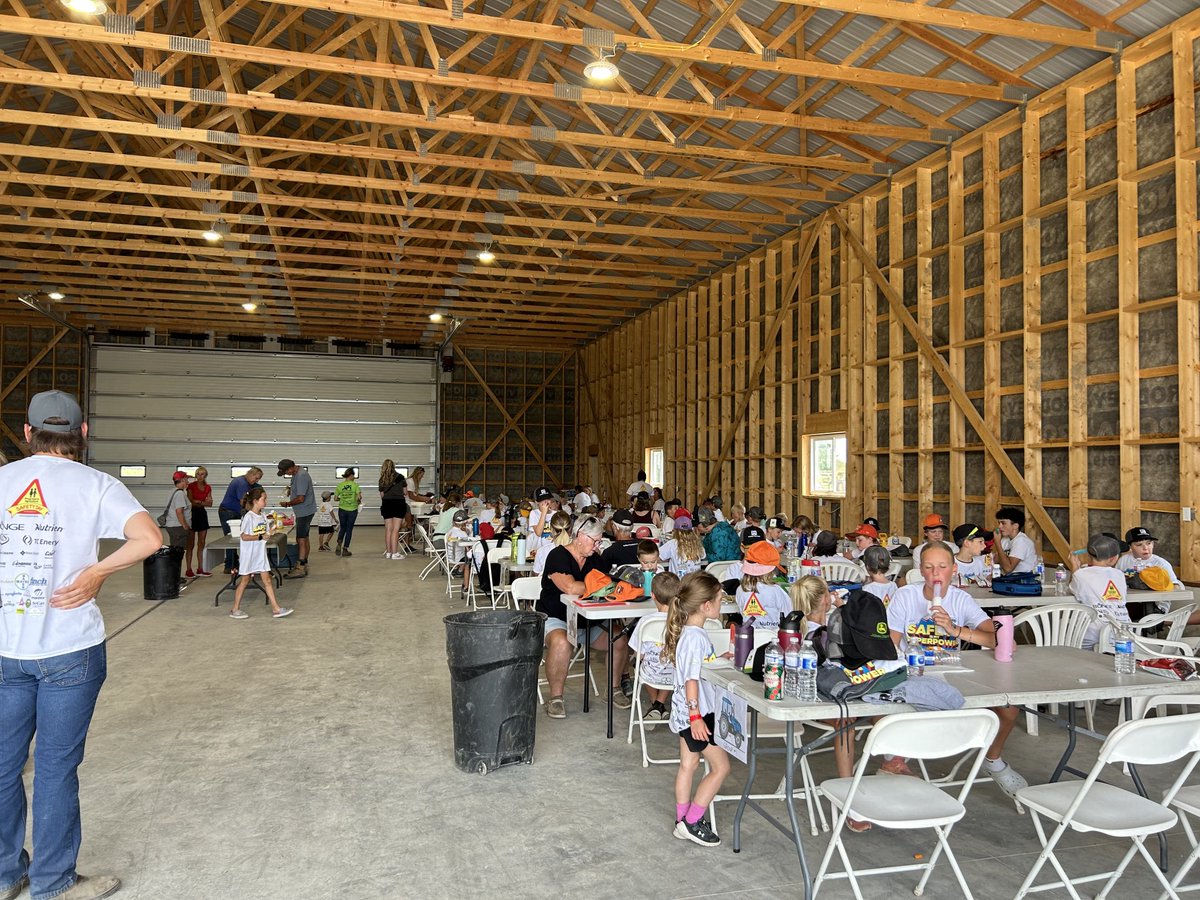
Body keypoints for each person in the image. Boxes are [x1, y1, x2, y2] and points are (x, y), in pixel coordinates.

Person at [0, 390, 161, 900]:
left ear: (27, 434)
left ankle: (5, 875)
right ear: (82, 433)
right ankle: (52, 883)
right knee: (54, 767)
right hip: (71, 649)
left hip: (5, 649)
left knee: (2, 765)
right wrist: (96, 572)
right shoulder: (97, 485)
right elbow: (149, 539)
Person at [886, 542, 1027, 798]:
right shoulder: (905, 596)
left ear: (953, 570)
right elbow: (891, 645)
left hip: (953, 669)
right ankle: (896, 759)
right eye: (928, 568)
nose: (935, 574)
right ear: (921, 570)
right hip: (915, 671)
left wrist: (955, 630)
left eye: (941, 567)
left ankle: (993, 759)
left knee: (1009, 707)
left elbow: (1003, 640)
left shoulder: (961, 599)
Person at [537, 515, 631, 718]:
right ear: (579, 536)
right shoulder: (558, 555)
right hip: (557, 617)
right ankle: (556, 698)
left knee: (619, 639)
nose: (597, 546)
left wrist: (604, 587)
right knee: (562, 643)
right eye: (594, 541)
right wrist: (602, 587)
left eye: (599, 541)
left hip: (588, 620)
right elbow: (570, 587)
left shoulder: (595, 559)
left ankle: (614, 689)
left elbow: (606, 586)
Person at [662, 571, 730, 847]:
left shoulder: (689, 635)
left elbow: (696, 670)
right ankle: (693, 820)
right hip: (696, 716)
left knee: (688, 766)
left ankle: (681, 820)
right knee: (720, 768)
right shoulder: (696, 638)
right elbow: (691, 680)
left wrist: (717, 660)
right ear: (706, 606)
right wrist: (696, 718)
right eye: (719, 599)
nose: (721, 604)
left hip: (684, 714)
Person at [228, 487, 293, 620]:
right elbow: (244, 536)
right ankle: (235, 609)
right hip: (249, 554)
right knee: (245, 580)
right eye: (264, 499)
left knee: (267, 580)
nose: (266, 501)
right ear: (256, 501)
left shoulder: (263, 516)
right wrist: (259, 537)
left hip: (260, 554)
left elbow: (264, 533)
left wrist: (270, 532)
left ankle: (276, 608)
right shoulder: (248, 517)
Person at [628, 571, 681, 720]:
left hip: (652, 676)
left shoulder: (646, 621)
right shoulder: (682, 620)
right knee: (670, 665)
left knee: (640, 664)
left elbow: (639, 654)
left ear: (653, 595)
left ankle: (655, 703)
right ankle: (659, 703)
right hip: (677, 676)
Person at [1066, 533, 1130, 650]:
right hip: (1123, 632)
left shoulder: (1081, 575)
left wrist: (1075, 567)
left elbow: (1072, 589)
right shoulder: (1119, 575)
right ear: (1113, 558)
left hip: (1091, 635)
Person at [735, 541, 792, 629]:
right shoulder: (776, 591)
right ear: (770, 570)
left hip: (749, 638)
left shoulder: (740, 589)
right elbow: (788, 615)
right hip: (774, 637)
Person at [218, 466, 262, 573]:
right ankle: (229, 566)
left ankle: (235, 562)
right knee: (231, 540)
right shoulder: (241, 483)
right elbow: (243, 501)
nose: (256, 481)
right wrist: (254, 512)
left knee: (236, 539)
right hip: (228, 513)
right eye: (256, 478)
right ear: (250, 474)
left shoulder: (248, 483)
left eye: (258, 479)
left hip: (234, 512)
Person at [276, 459, 316, 577]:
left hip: (304, 511)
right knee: (305, 537)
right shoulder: (296, 474)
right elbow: (298, 490)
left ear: (291, 468)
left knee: (301, 539)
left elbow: (300, 499)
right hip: (304, 511)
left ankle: (301, 567)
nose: (286, 474)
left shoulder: (301, 476)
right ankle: (304, 562)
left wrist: (287, 504)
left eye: (285, 472)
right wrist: (290, 490)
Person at [1116, 526, 1185, 590]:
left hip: (1156, 601)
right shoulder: (1123, 560)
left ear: (1153, 544)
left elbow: (1176, 586)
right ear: (1130, 547)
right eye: (1139, 545)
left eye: (1148, 543)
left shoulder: (1161, 563)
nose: (1145, 548)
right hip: (1130, 600)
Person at [377, 459, 409, 561]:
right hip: (398, 503)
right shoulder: (400, 477)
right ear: (393, 466)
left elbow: (382, 495)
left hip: (386, 504)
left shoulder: (381, 480)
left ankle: (388, 552)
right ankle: (395, 553)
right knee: (396, 529)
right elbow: (405, 492)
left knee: (388, 529)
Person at [184, 466, 213, 578]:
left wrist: (199, 502)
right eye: (198, 474)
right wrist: (203, 502)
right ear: (196, 476)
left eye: (202, 474)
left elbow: (210, 503)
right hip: (192, 514)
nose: (200, 476)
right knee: (190, 544)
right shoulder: (191, 486)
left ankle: (200, 568)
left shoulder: (208, 487)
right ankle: (188, 569)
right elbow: (190, 502)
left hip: (201, 514)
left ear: (205, 475)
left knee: (201, 543)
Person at [594, 509, 640, 575]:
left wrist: (597, 557)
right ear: (632, 527)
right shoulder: (645, 546)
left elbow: (600, 574)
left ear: (614, 527)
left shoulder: (610, 552)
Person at [993, 506, 1036, 574]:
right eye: (999, 523)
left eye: (1003, 523)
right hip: (1008, 579)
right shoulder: (1005, 540)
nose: (999, 527)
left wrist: (997, 543)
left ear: (1015, 526)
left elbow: (1008, 569)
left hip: (1021, 580)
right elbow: (995, 561)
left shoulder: (1021, 541)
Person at [334, 467, 362, 557]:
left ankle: (339, 542)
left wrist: (342, 498)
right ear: (351, 475)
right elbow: (359, 497)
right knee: (349, 529)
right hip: (352, 510)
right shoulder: (355, 485)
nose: (354, 477)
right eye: (353, 475)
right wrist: (358, 502)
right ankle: (345, 549)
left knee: (343, 527)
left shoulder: (340, 485)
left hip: (342, 509)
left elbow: (335, 498)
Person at [162, 470, 190, 554]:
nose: (188, 481)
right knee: (178, 552)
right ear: (182, 480)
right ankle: (174, 567)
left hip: (173, 526)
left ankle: (174, 566)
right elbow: (179, 511)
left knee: (175, 550)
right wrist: (185, 526)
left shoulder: (173, 491)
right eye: (186, 479)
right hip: (178, 527)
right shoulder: (180, 494)